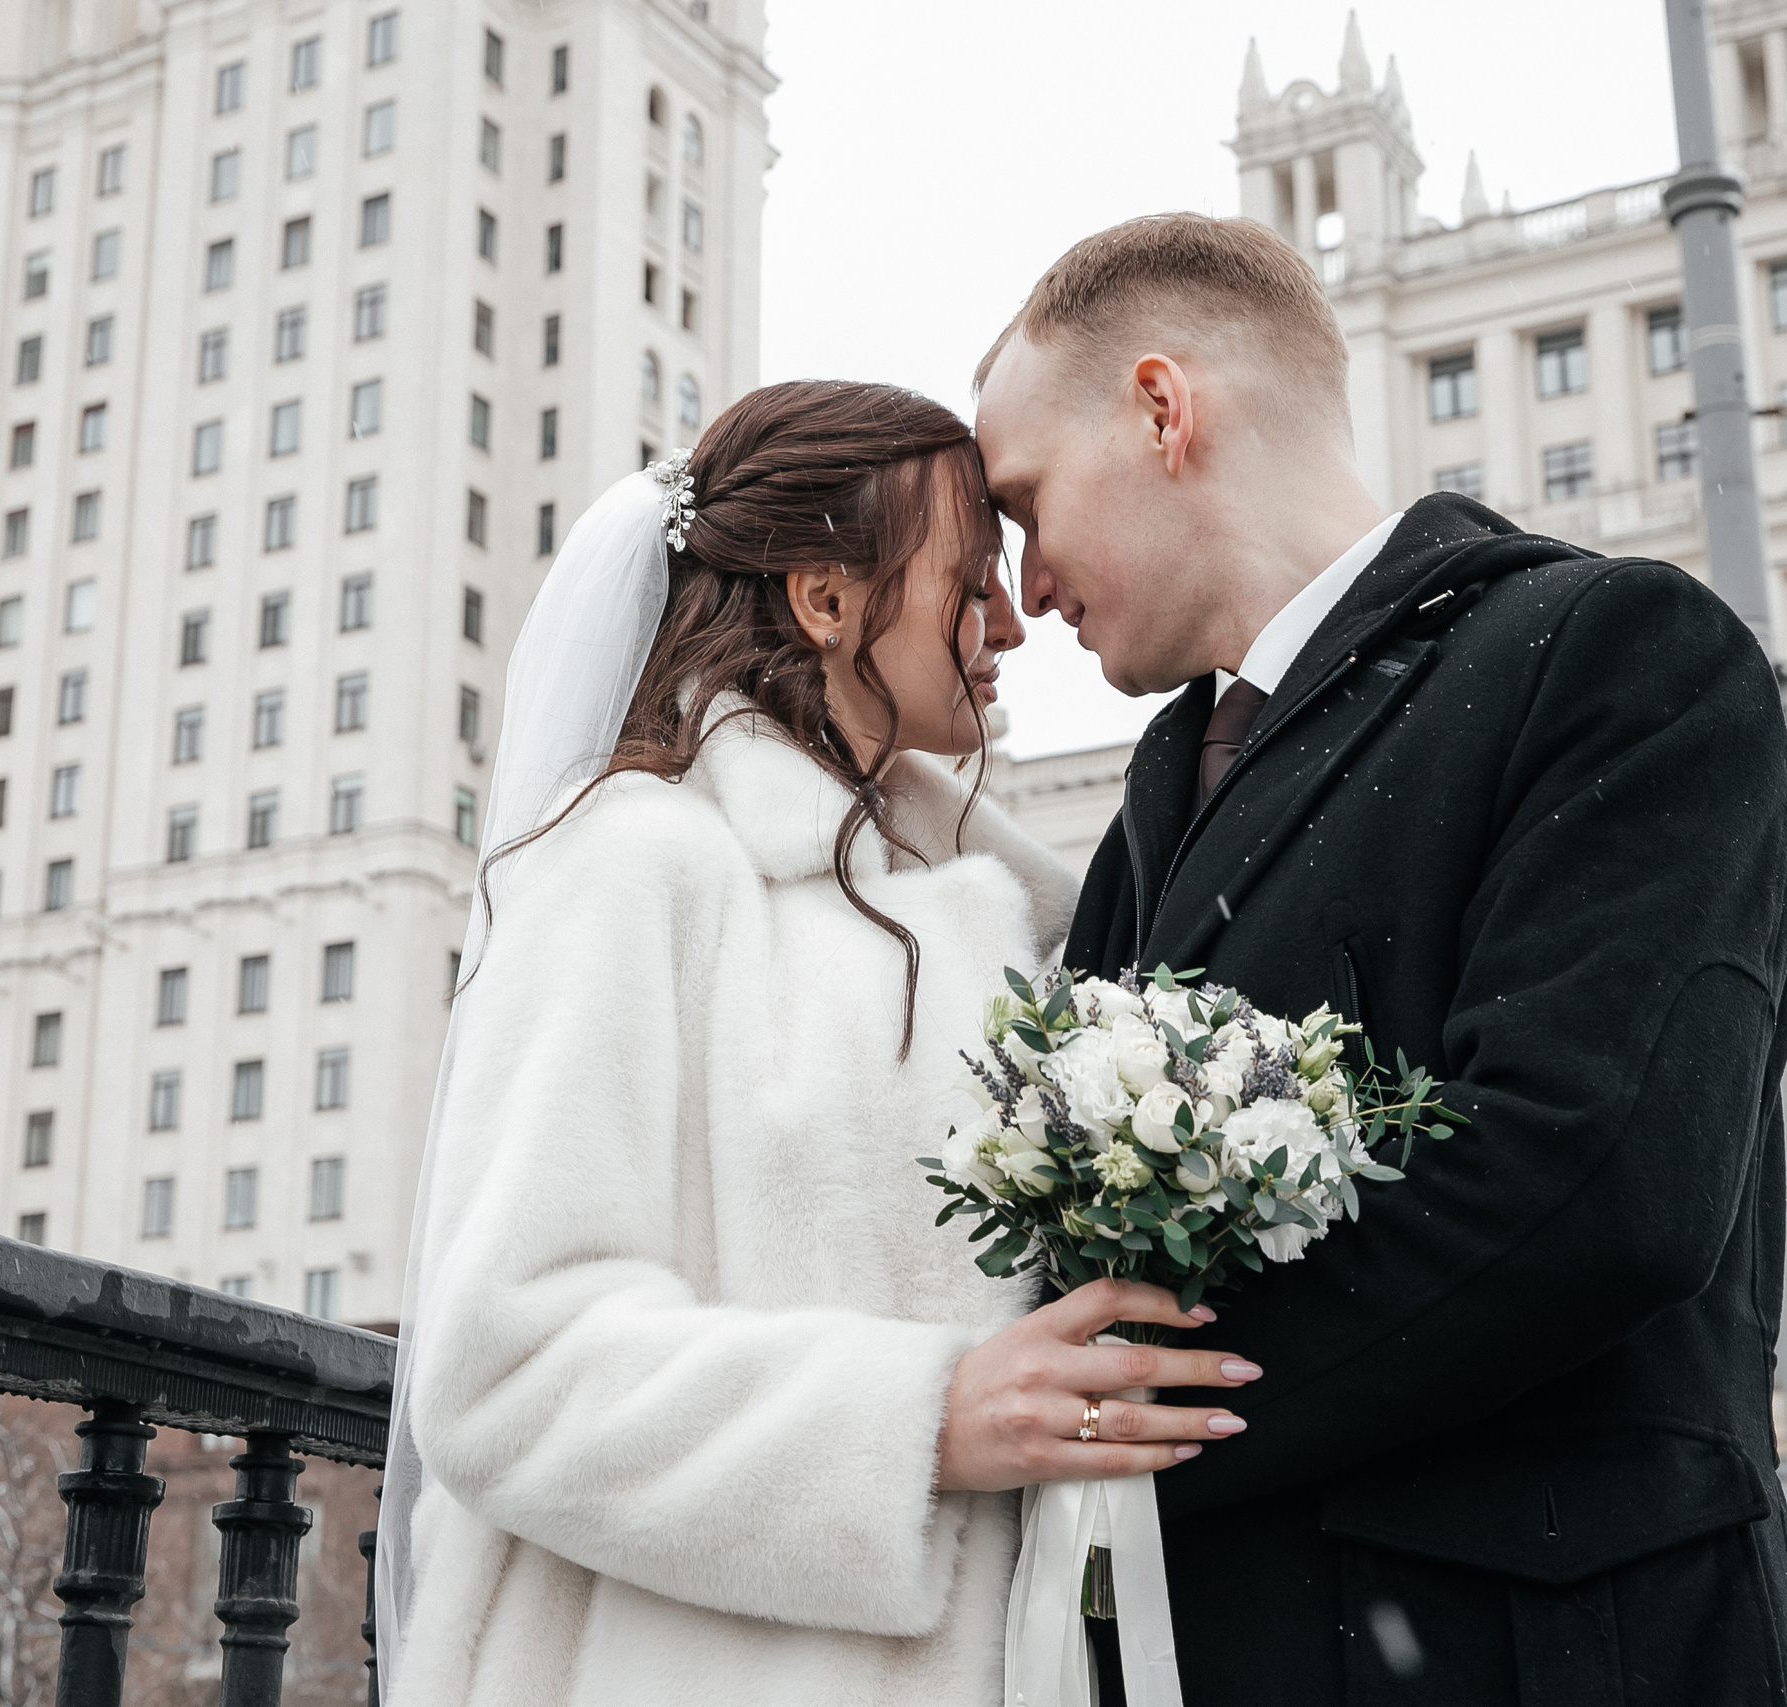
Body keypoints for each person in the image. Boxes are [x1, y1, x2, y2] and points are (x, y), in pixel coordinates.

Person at [974, 211, 1787, 1705]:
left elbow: (1601, 1181)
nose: (1028, 588)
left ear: (1162, 409)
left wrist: (1114, 1421)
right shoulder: (1151, 802)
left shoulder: (1612, 651)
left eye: (1028, 505)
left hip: (1530, 1656)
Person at [377, 380, 1266, 1707]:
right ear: (828, 598)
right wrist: (921, 1421)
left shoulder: (994, 908)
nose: (1011, 626)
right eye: (970, 584)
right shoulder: (630, 857)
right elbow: (503, 1366)